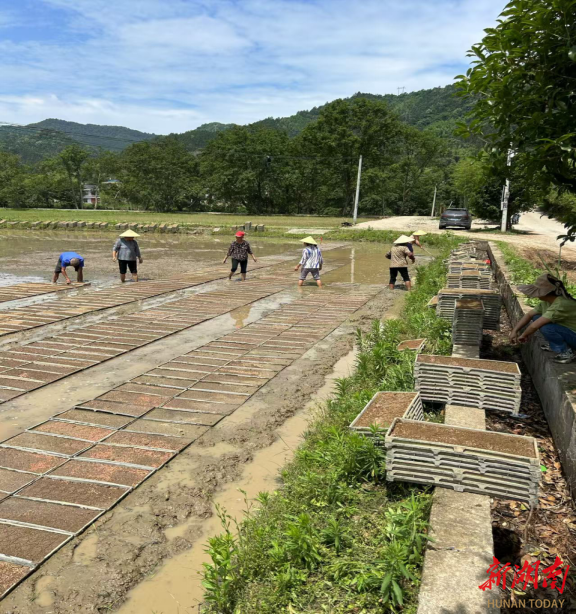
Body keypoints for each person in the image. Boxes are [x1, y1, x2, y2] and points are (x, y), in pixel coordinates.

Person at [510, 273, 576, 364]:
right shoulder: (547, 302)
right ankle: (555, 344)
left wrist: (523, 335)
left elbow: (534, 326)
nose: (536, 295)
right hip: (568, 331)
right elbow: (529, 315)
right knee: (536, 317)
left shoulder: (561, 304)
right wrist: (515, 330)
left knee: (547, 328)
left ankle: (566, 351)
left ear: (546, 293)